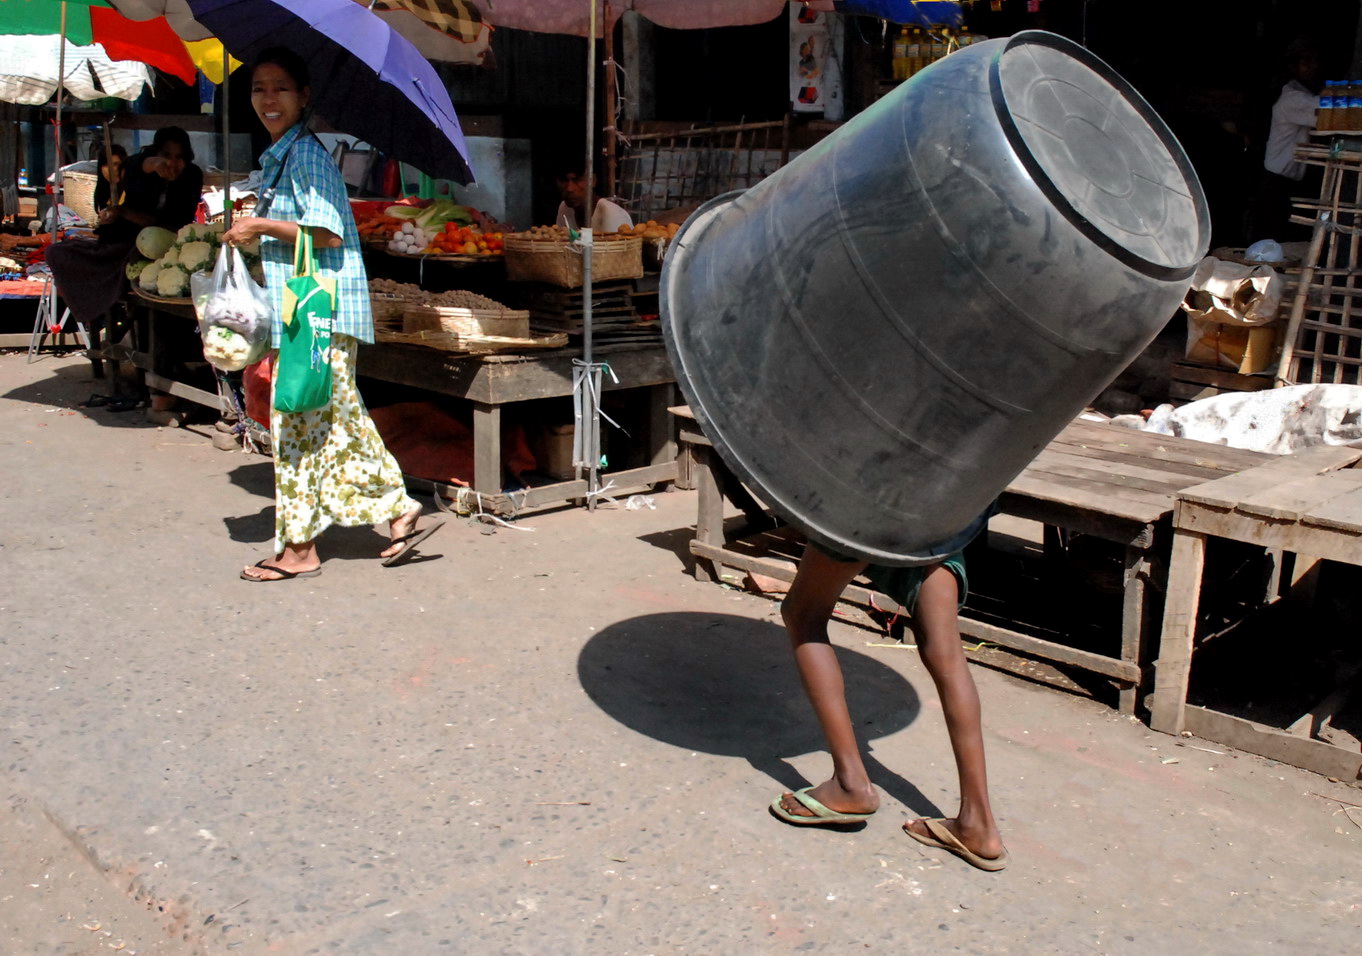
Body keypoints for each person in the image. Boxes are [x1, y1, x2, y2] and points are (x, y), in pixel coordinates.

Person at [223, 47, 441, 582]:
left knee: (294, 423)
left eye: (280, 88)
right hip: (304, 306)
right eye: (258, 89)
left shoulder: (306, 155)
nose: (268, 99)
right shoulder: (281, 155)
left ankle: (299, 549)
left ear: (304, 97)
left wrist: (259, 228)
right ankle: (397, 506)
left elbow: (327, 232)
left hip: (316, 312)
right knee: (339, 420)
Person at [770, 537, 1008, 872]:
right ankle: (978, 824)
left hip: (871, 505)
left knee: (803, 613)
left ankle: (850, 784)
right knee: (946, 650)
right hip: (944, 513)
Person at [47, 127, 202, 411]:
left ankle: (161, 377)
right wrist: (118, 213)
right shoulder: (135, 166)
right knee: (59, 252)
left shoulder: (192, 176)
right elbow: (128, 178)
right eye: (166, 155)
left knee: (143, 279)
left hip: (160, 247)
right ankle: (101, 311)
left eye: (180, 157)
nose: (172, 163)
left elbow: (173, 221)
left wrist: (126, 214)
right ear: (154, 154)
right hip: (121, 242)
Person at [1248, 42, 1323, 243]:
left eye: (1314, 61)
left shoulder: (1299, 93)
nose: (1313, 66)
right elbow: (1324, 110)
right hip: (1276, 182)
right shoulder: (1292, 97)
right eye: (1306, 61)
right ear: (1292, 66)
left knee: (1279, 240)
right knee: (1271, 240)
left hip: (1285, 181)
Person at [555, 160, 632, 233]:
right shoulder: (565, 209)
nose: (570, 188)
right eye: (564, 180)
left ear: (593, 180)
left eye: (577, 180)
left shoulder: (612, 215)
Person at [93, 143, 127, 216]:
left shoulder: (132, 190)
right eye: (107, 165)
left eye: (116, 164)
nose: (113, 169)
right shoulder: (104, 191)